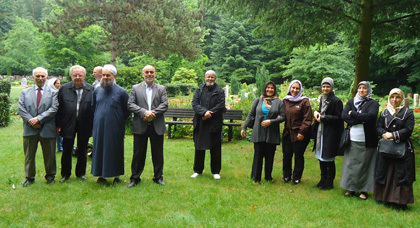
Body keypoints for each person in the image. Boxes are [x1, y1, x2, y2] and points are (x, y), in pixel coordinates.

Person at [127, 65, 168, 187]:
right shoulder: (135, 88)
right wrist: (144, 112)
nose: (149, 74)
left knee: (158, 154)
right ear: (143, 74)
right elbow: (130, 104)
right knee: (138, 154)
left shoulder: (161, 88)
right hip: (140, 125)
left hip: (157, 126)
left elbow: (165, 104)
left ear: (155, 74)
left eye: (151, 72)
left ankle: (158, 177)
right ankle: (135, 178)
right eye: (147, 72)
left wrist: (152, 113)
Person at [375, 88, 415, 210]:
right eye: (392, 97)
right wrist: (384, 134)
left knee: (401, 173)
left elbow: (408, 130)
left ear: (402, 98)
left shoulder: (408, 113)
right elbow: (379, 126)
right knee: (385, 171)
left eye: (397, 97)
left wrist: (393, 135)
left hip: (402, 148)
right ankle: (385, 198)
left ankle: (401, 201)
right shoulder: (384, 113)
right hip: (386, 148)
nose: (394, 100)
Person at [18, 67, 58, 186]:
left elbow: (54, 108)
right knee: (29, 155)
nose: (40, 78)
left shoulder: (54, 93)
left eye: (42, 76)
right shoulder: (25, 92)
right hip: (30, 129)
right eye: (38, 76)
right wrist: (31, 120)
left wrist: (39, 119)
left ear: (47, 77)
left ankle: (50, 176)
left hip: (47, 128)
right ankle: (29, 177)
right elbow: (21, 108)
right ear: (33, 77)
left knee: (50, 155)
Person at [91, 64, 129, 184]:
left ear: (114, 76)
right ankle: (101, 175)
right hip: (99, 127)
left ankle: (116, 175)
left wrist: (116, 120)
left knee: (115, 150)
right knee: (99, 149)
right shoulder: (97, 90)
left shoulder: (122, 92)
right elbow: (94, 107)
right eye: (103, 75)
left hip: (115, 127)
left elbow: (127, 110)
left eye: (108, 75)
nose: (105, 77)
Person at [340, 81, 379, 200]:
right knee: (351, 164)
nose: (361, 90)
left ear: (368, 90)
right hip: (352, 139)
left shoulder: (373, 103)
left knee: (366, 165)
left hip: (367, 140)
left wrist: (353, 114)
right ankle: (350, 188)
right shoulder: (352, 102)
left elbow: (370, 116)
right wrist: (359, 119)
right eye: (360, 88)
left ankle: (364, 190)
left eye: (364, 88)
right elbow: (344, 115)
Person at [241, 81, 285, 184]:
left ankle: (268, 177)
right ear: (265, 89)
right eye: (268, 88)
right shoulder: (258, 100)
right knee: (258, 155)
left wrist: (271, 121)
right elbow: (251, 115)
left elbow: (283, 117)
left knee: (270, 155)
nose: (270, 90)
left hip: (272, 132)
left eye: (272, 88)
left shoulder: (279, 102)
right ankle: (256, 178)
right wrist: (244, 127)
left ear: (275, 90)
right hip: (259, 131)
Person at [56, 65, 94, 183]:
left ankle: (80, 173)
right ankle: (65, 174)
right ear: (71, 76)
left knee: (82, 149)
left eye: (80, 75)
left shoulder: (91, 89)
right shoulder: (64, 89)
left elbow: (94, 108)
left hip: (85, 123)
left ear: (84, 76)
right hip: (68, 123)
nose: (77, 77)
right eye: (75, 75)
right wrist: (58, 124)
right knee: (67, 149)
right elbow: (58, 107)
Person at [190, 70, 225, 180]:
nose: (210, 79)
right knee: (199, 147)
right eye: (208, 77)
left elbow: (221, 105)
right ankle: (197, 170)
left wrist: (209, 113)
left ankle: (215, 172)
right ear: (205, 77)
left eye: (212, 77)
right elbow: (194, 103)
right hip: (201, 122)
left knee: (215, 148)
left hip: (214, 123)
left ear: (215, 78)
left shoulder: (220, 91)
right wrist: (203, 113)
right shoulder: (199, 89)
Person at [312, 77, 344, 190]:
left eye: (328, 86)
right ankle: (322, 179)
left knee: (329, 158)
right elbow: (322, 113)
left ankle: (329, 182)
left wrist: (324, 118)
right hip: (321, 132)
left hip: (330, 134)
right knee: (321, 157)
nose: (325, 88)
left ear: (331, 87)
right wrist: (317, 113)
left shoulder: (336, 101)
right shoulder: (322, 99)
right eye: (323, 86)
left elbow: (339, 118)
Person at [282, 80, 312, 184]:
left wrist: (302, 132)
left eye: (297, 88)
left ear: (300, 89)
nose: (295, 90)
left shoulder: (304, 102)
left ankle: (296, 177)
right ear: (290, 88)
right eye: (293, 88)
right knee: (286, 154)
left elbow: (307, 119)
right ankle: (286, 175)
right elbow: (281, 114)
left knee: (298, 155)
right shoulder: (285, 101)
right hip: (287, 133)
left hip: (299, 133)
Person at [48, 78, 63, 152]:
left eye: (60, 83)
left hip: (60, 115)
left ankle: (60, 146)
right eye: (57, 83)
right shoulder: (50, 93)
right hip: (52, 115)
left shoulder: (60, 92)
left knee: (59, 132)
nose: (59, 85)